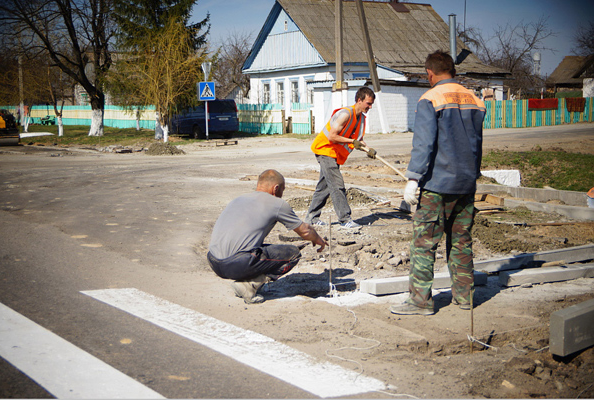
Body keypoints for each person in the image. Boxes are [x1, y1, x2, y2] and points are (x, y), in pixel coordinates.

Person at [389, 50, 486, 316]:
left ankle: (420, 301)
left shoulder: (430, 98)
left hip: (436, 186)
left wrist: (413, 178)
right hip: (466, 184)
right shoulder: (475, 100)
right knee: (461, 241)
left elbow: (424, 143)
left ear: (429, 74)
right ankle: (465, 297)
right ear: (453, 71)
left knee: (424, 243)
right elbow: (476, 143)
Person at [207, 169, 327, 304]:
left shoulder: (238, 199)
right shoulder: (277, 203)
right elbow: (305, 231)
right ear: (276, 188)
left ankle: (247, 282)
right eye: (283, 189)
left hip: (214, 261)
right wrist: (318, 239)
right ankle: (248, 286)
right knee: (293, 254)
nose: (282, 194)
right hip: (237, 263)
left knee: (257, 249)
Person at [305, 86, 377, 228]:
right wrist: (352, 142)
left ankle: (312, 218)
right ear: (359, 100)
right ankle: (345, 219)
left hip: (334, 154)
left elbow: (358, 140)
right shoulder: (345, 114)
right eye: (368, 103)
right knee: (337, 184)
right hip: (324, 150)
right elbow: (332, 136)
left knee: (324, 187)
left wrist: (368, 150)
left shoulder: (361, 119)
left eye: (371, 104)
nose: (370, 107)